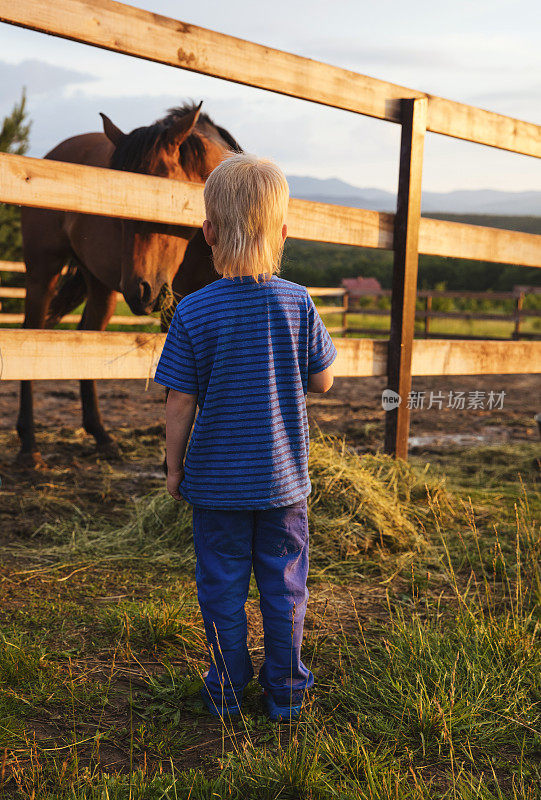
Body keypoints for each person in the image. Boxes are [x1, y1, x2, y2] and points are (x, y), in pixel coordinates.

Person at [153, 152, 337, 721]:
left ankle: (228, 688)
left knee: (223, 589)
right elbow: (324, 380)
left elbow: (179, 401)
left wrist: (175, 470)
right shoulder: (298, 303)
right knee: (284, 590)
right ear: (283, 233)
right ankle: (285, 693)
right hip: (282, 484)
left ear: (207, 233)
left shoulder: (192, 312)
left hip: (215, 488)